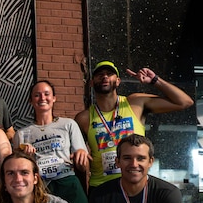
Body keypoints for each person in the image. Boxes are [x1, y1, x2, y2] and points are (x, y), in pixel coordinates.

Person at [74, 61, 193, 189]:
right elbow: (77, 160)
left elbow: (184, 102)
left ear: (118, 81)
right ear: (91, 82)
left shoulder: (135, 103)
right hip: (101, 187)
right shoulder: (83, 118)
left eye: (110, 74)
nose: (105, 77)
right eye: (100, 74)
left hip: (136, 185)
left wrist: (155, 80)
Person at [14, 80, 89, 203]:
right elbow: (19, 169)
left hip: (68, 183)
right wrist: (26, 159)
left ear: (54, 98)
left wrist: (80, 156)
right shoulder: (21, 134)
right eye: (37, 95)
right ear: (31, 101)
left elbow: (81, 164)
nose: (42, 98)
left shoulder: (68, 124)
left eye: (47, 94)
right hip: (40, 187)